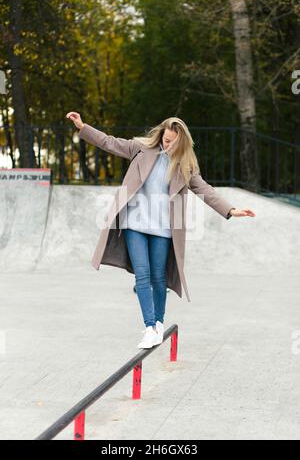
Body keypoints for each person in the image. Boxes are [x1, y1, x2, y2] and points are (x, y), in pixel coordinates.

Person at [66, 112, 256, 349]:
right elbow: (109, 142)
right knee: (142, 275)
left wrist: (231, 210)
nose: (168, 145)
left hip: (163, 229)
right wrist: (83, 127)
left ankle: (158, 324)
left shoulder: (185, 166)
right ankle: (148, 327)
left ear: (182, 142)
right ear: (161, 135)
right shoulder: (140, 149)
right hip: (134, 223)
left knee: (159, 278)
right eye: (166, 140)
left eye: (173, 142)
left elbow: (205, 190)